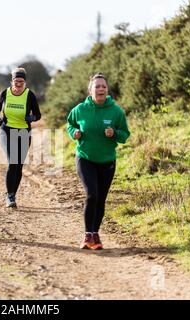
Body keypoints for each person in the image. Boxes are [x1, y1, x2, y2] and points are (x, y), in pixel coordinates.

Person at [66, 72, 130, 250]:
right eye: (97, 86)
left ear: (107, 90)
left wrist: (114, 134)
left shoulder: (116, 111)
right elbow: (70, 124)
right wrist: (74, 133)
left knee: (101, 198)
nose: (100, 89)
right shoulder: (80, 109)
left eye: (103, 86)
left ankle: (95, 233)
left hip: (107, 160)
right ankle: (87, 234)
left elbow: (125, 135)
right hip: (85, 158)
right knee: (92, 194)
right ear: (90, 90)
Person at [0, 67, 41, 208]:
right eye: (16, 81)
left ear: (25, 82)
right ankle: (9, 196)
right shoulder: (5, 93)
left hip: (23, 132)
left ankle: (13, 194)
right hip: (6, 130)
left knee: (19, 165)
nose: (18, 84)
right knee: (12, 161)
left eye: (21, 81)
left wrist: (31, 117)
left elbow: (38, 114)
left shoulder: (29, 95)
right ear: (12, 81)